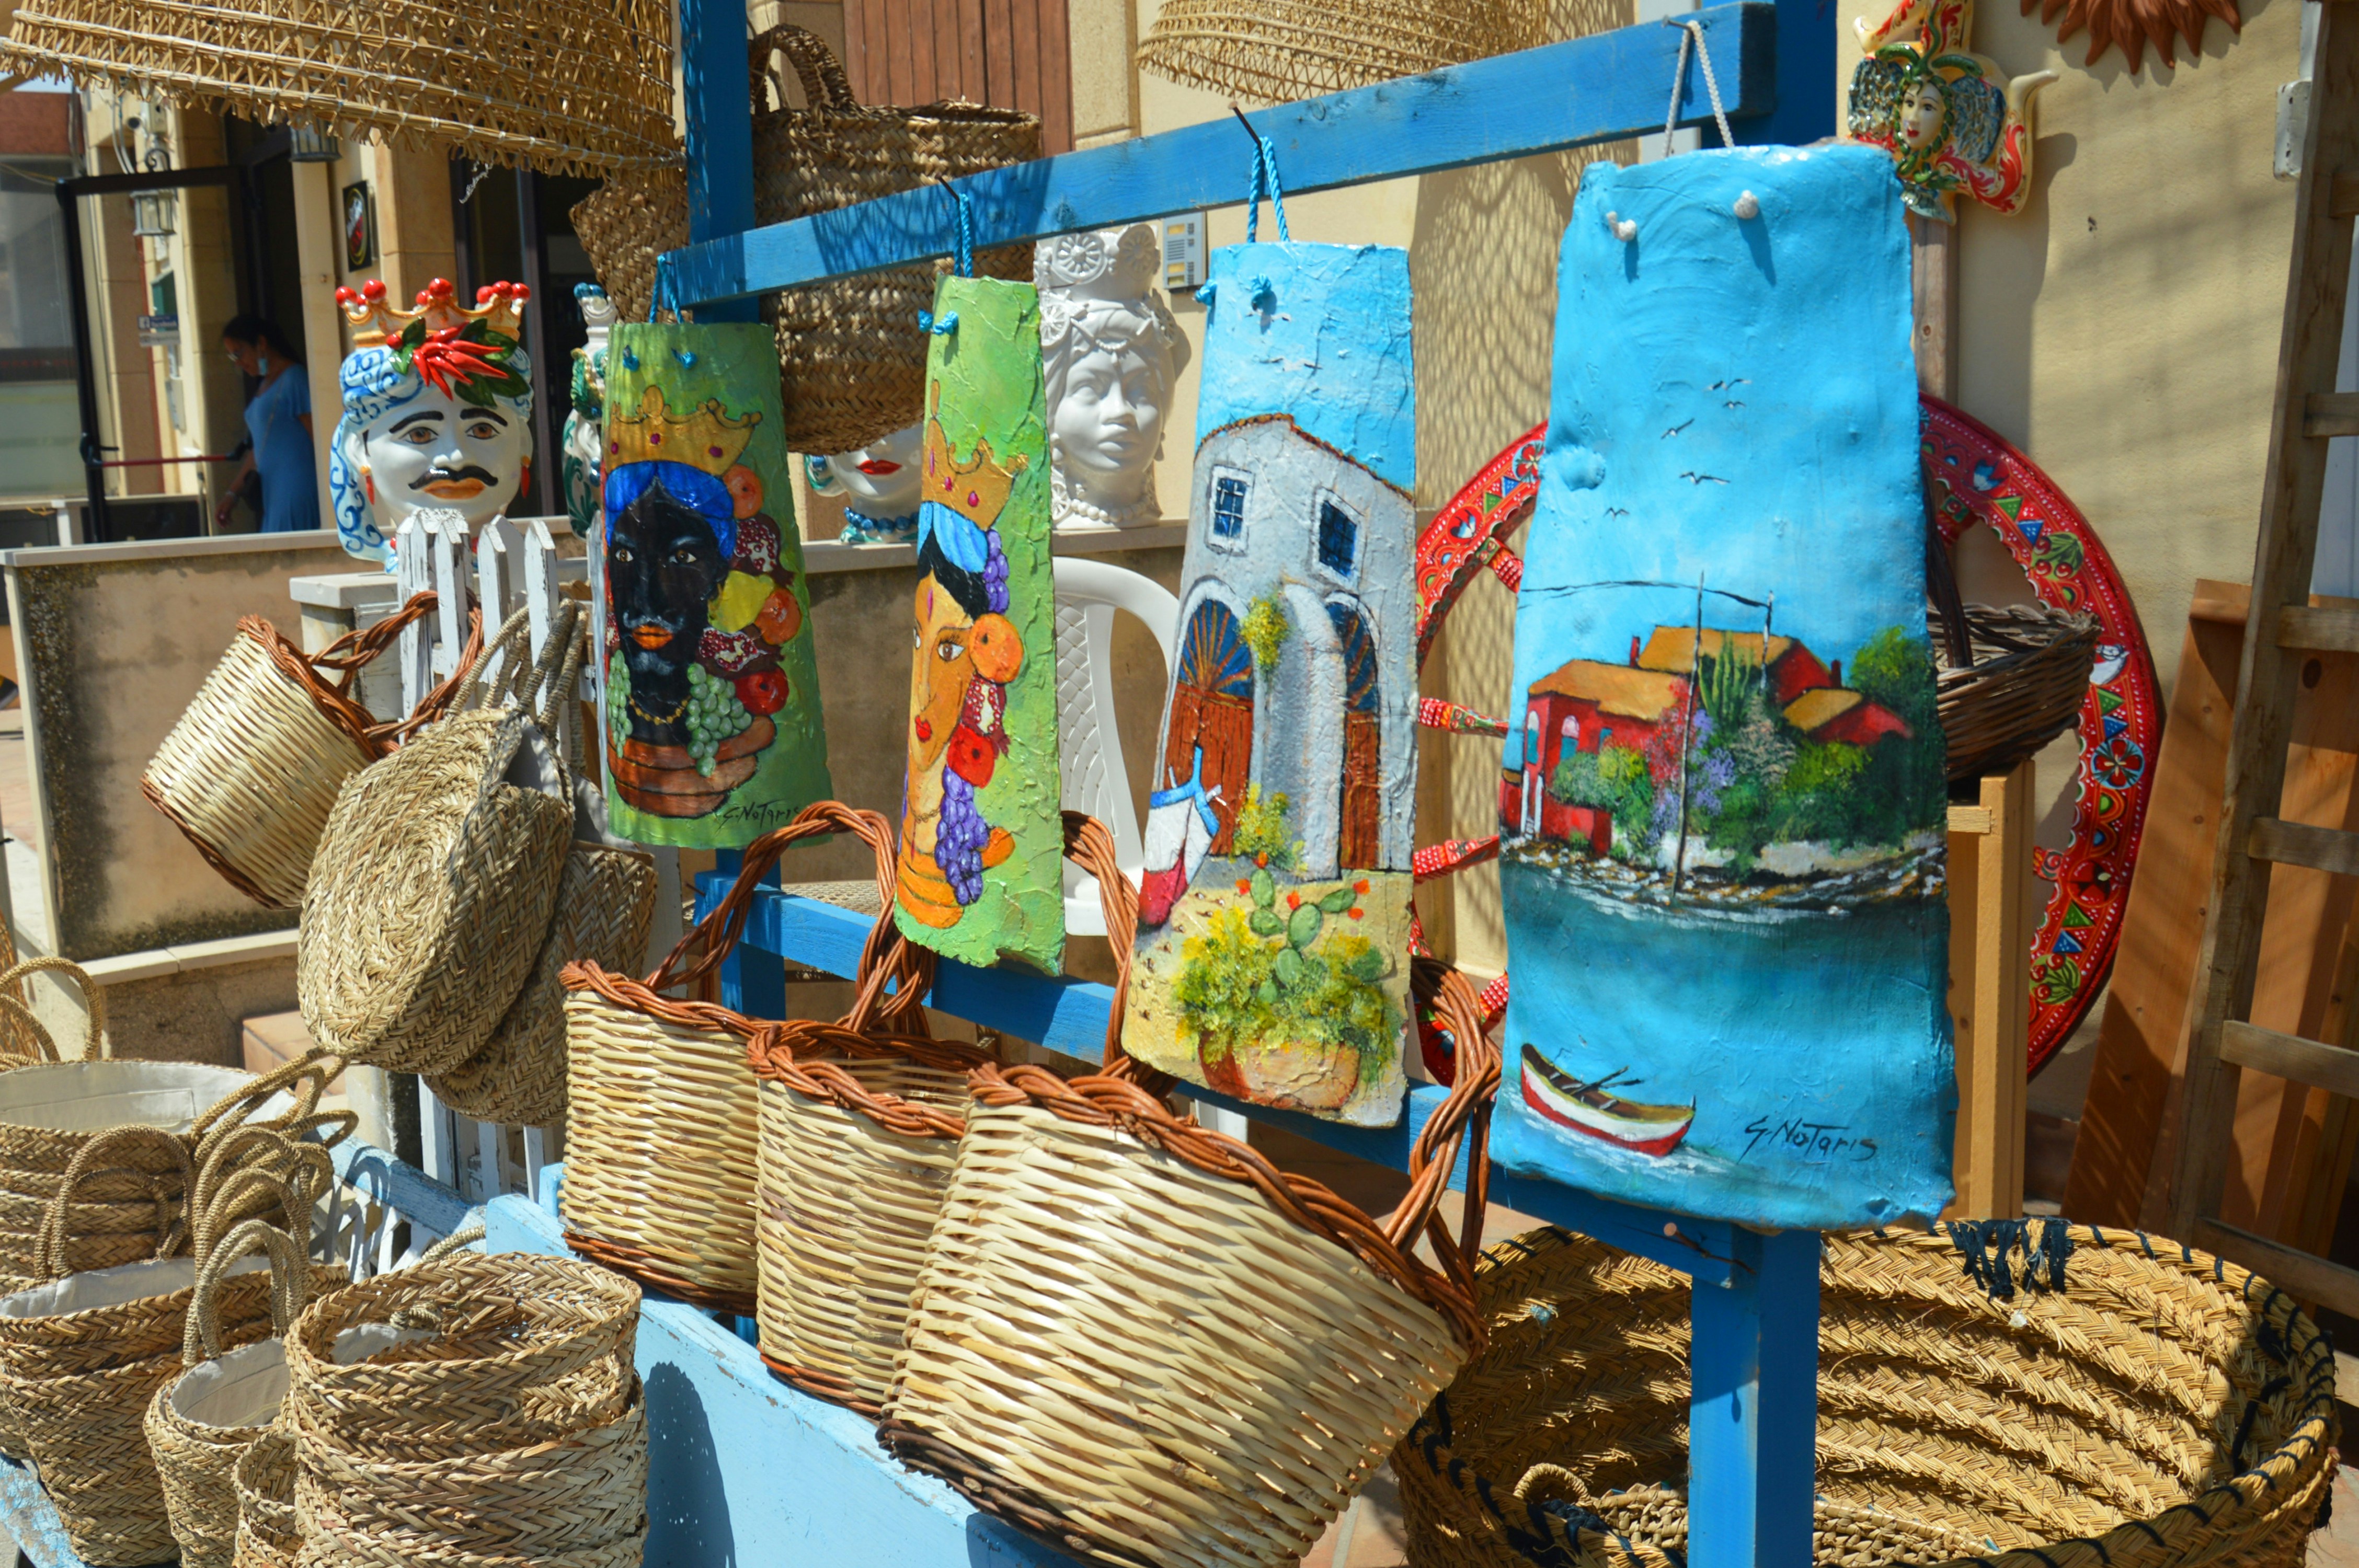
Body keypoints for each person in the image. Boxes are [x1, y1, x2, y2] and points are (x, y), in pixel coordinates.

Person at [217, 315, 319, 534]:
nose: (237, 362)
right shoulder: (268, 382)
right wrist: (232, 493)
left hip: (296, 489)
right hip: (275, 492)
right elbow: (263, 445)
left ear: (261, 344)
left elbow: (318, 436)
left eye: (238, 352)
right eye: (231, 356)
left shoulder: (294, 379)